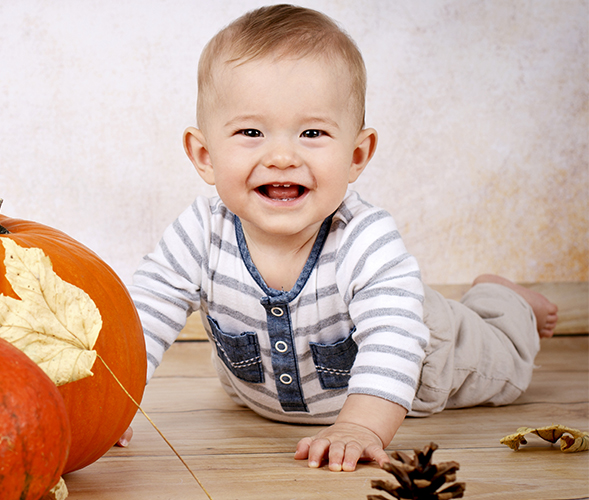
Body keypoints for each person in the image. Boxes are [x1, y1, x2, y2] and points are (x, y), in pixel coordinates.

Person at [122, 4, 559, 472]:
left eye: (312, 132)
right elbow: (143, 313)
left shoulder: (364, 239)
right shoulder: (201, 231)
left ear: (355, 154)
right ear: (205, 155)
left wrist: (361, 426)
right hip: (269, 393)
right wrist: (110, 405)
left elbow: (394, 336)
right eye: (251, 131)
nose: (283, 156)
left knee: (509, 366)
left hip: (432, 354)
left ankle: (504, 300)